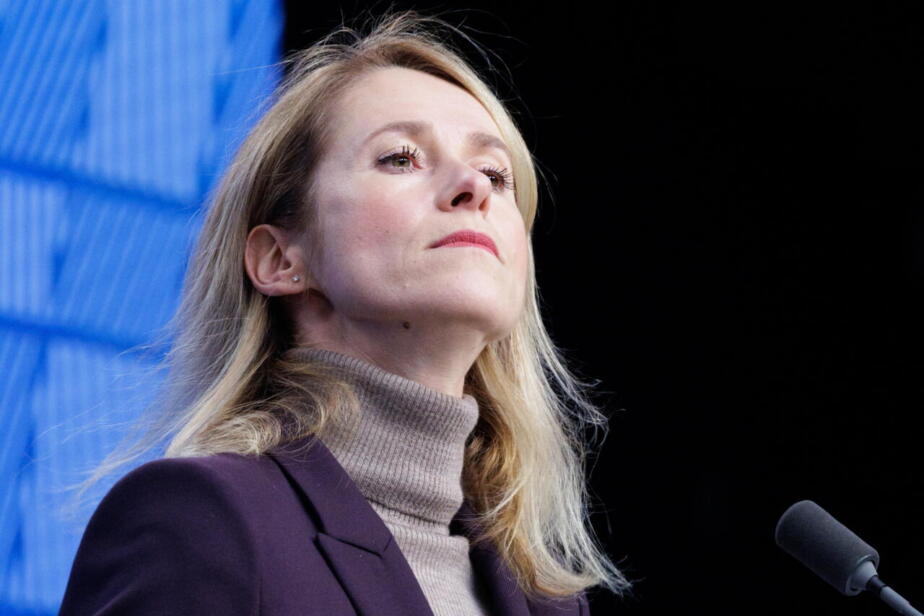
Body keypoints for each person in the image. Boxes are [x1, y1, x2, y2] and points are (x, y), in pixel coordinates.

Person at [58, 9, 630, 615]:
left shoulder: (553, 602)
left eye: (496, 172)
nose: (475, 185)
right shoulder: (199, 520)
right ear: (281, 259)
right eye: (401, 158)